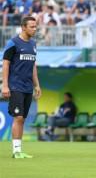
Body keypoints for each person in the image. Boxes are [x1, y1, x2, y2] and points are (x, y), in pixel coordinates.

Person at [1, 16, 41, 159]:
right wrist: (5, 85)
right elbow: (5, 64)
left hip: (28, 87)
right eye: (32, 26)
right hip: (15, 86)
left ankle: (19, 150)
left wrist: (37, 84)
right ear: (23, 27)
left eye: (35, 26)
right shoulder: (13, 43)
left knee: (22, 119)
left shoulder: (33, 44)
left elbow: (33, 66)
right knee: (18, 117)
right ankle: (16, 151)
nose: (34, 29)